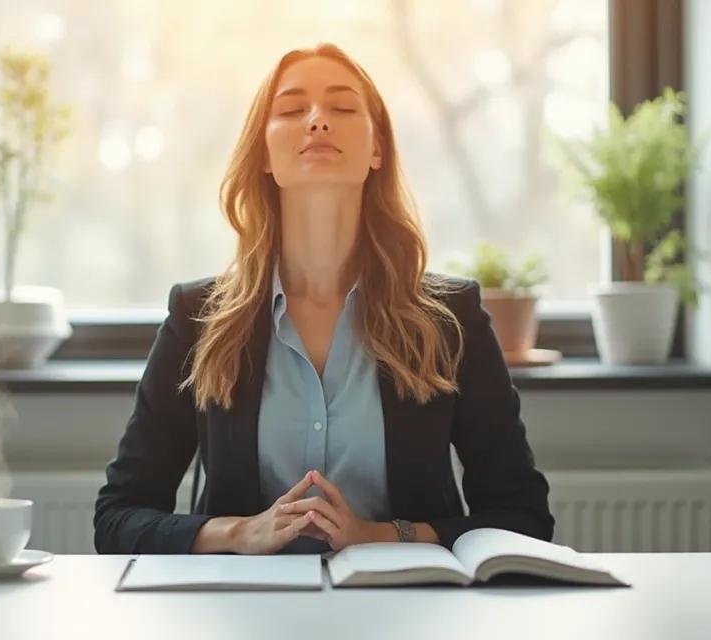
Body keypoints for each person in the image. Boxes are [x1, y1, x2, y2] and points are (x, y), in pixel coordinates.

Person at [93, 43, 554, 555]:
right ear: (264, 153)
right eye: (292, 110)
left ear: (377, 149)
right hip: (242, 618)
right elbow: (117, 518)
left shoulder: (451, 317)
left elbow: (524, 516)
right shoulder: (198, 318)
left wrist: (382, 537)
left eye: (342, 107)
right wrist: (241, 533)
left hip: (410, 617)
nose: (317, 121)